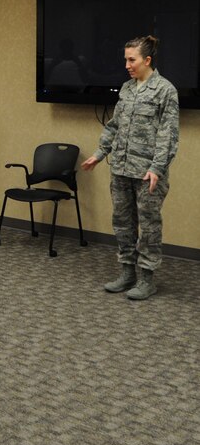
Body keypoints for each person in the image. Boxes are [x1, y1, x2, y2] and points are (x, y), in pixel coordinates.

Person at [81, 35, 179, 300]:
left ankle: (147, 279)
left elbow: (168, 135)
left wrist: (157, 168)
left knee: (149, 227)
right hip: (121, 170)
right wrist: (100, 153)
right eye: (125, 59)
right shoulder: (126, 89)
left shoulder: (165, 90)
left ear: (147, 60)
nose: (127, 64)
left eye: (131, 59)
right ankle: (127, 273)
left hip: (148, 173)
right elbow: (115, 125)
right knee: (122, 224)